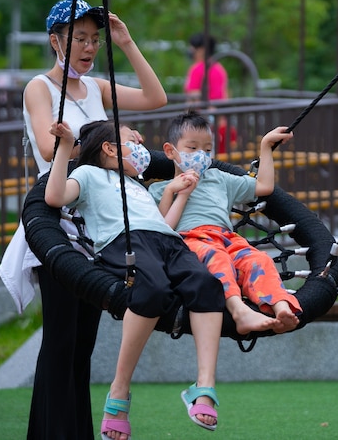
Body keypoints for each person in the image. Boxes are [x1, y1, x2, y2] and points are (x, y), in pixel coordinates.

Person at [0, 0, 167, 440]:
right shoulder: (40, 87)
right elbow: (50, 147)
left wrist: (126, 43)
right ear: (55, 41)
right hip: (58, 220)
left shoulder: (97, 89)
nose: (89, 48)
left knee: (82, 345)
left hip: (96, 222)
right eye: (79, 39)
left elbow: (155, 97)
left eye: (95, 39)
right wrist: (105, 148)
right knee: (60, 339)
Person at [47, 120, 224, 439]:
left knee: (207, 285)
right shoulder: (88, 175)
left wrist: (180, 195)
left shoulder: (138, 185)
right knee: (152, 289)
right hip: (125, 241)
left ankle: (204, 386)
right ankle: (119, 392)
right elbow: (55, 196)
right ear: (110, 148)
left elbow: (163, 223)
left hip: (168, 241)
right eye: (134, 141)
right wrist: (63, 150)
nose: (142, 147)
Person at [148, 111, 301, 335]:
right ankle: (239, 311)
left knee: (259, 260)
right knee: (217, 259)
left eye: (207, 150)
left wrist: (266, 147)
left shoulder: (219, 178)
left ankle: (280, 307)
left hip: (227, 238)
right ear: (171, 151)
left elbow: (264, 187)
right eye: (192, 148)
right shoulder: (160, 189)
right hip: (190, 241)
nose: (201, 154)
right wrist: (175, 191)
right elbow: (161, 230)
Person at [184, 33, 237, 153]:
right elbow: (225, 94)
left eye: (193, 48)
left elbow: (192, 97)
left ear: (201, 50)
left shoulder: (197, 69)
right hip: (222, 123)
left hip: (204, 125)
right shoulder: (219, 68)